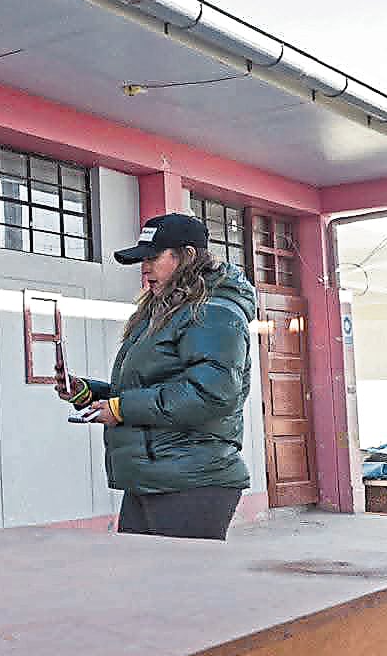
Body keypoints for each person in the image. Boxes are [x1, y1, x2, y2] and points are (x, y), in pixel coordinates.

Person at [57, 212, 257, 541]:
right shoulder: (164, 312)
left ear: (188, 256)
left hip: (193, 478)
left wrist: (121, 409)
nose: (145, 267)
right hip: (153, 475)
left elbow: (211, 395)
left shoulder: (214, 312)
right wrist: (88, 393)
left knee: (181, 588)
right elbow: (150, 389)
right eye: (142, 259)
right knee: (143, 585)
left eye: (153, 257)